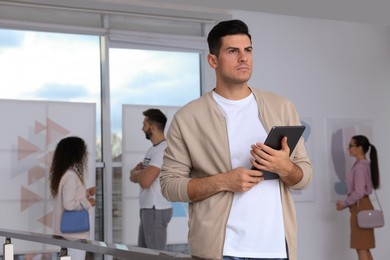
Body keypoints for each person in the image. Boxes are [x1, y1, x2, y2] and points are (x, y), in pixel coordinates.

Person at [160, 19, 312, 260]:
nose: (244, 58)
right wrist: (223, 181)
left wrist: (285, 167)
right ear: (213, 60)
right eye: (233, 51)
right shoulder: (188, 117)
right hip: (220, 251)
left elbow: (303, 178)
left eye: (248, 50)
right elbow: (169, 186)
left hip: (276, 250)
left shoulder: (282, 107)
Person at [130, 108, 173, 250]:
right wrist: (138, 174)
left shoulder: (163, 150)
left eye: (144, 124)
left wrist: (138, 174)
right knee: (144, 254)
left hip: (156, 209)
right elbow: (134, 176)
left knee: (155, 256)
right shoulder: (152, 150)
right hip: (148, 208)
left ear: (153, 127)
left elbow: (145, 181)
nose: (142, 128)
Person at [50, 136, 96, 259]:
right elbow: (69, 204)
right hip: (73, 235)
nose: (84, 154)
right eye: (83, 151)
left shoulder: (65, 174)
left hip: (68, 234)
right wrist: (87, 203)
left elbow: (69, 197)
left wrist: (85, 193)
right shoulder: (70, 176)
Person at [336, 135, 380, 260]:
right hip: (364, 206)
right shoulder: (365, 165)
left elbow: (359, 192)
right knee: (364, 247)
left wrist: (344, 203)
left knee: (361, 248)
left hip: (360, 208)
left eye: (351, 145)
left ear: (359, 148)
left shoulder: (360, 167)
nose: (348, 148)